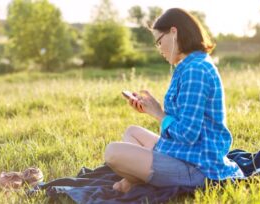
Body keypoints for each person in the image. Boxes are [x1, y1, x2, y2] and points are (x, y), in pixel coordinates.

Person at [104, 8, 244, 193]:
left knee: (113, 153)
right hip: (182, 153)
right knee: (132, 132)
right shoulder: (187, 66)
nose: (159, 48)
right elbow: (183, 122)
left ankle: (134, 181)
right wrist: (153, 109)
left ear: (174, 32)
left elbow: (187, 134)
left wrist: (158, 114)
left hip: (197, 167)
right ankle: (135, 179)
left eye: (159, 41)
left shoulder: (195, 70)